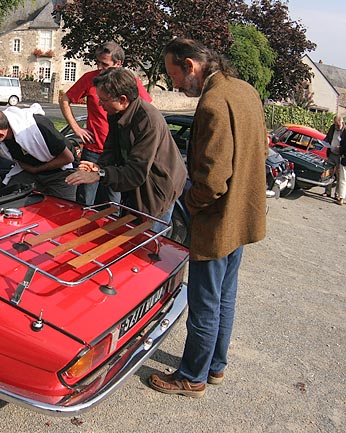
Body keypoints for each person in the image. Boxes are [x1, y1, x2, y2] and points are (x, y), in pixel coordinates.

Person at [148, 38, 268, 398]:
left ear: (191, 65)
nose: (175, 85)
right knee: (224, 297)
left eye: (175, 76)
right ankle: (214, 367)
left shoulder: (214, 102)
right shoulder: (244, 89)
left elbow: (213, 179)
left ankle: (192, 376)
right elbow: (261, 147)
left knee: (204, 302)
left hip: (216, 222)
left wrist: (191, 202)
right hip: (240, 217)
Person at [64, 67, 186, 231]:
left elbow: (137, 172)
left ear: (122, 99)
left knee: (144, 242)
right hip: (138, 184)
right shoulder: (115, 112)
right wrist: (101, 166)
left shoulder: (148, 121)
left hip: (158, 187)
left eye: (103, 100)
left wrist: (100, 175)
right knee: (126, 230)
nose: (99, 104)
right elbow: (111, 147)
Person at [59, 41, 152, 205]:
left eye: (105, 64)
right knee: (85, 200)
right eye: (98, 62)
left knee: (112, 201)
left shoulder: (130, 82)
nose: (100, 67)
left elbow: (146, 109)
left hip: (116, 152)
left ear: (118, 64)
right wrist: (76, 128)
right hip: (93, 149)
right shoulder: (90, 79)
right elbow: (65, 99)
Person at [323, 115, 345, 202]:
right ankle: (327, 191)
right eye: (335, 124)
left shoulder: (345, 130)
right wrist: (324, 142)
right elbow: (328, 137)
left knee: (340, 176)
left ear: (342, 123)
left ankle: (337, 194)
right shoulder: (332, 127)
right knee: (328, 173)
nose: (336, 127)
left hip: (340, 155)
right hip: (331, 153)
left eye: (338, 125)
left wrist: (341, 147)